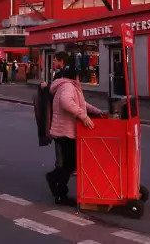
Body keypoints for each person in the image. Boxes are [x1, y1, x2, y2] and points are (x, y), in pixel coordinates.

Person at [45, 62, 104, 206]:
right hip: (64, 132)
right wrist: (83, 116)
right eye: (78, 76)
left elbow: (81, 104)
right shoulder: (67, 87)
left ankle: (58, 186)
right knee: (70, 164)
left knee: (70, 163)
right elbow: (66, 102)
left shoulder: (69, 86)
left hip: (65, 131)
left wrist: (97, 111)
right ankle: (57, 187)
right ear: (75, 77)